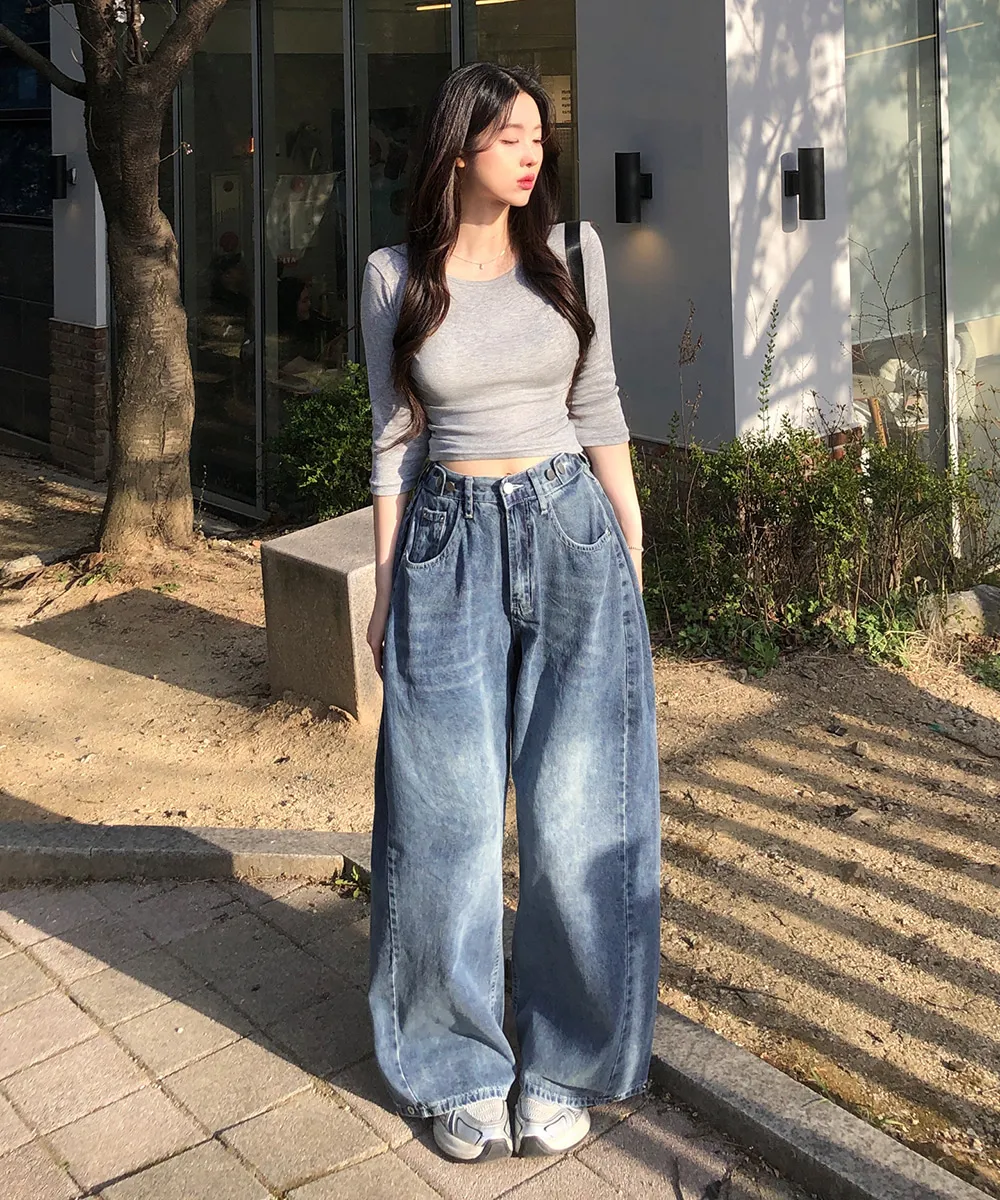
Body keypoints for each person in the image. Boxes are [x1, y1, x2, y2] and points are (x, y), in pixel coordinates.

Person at [361, 61, 661, 1164]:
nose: (532, 153)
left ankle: (568, 1059)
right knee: (442, 817)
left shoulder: (573, 256)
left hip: (571, 529)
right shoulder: (395, 277)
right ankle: (457, 1068)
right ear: (458, 150)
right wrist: (385, 587)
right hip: (446, 544)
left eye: (539, 135)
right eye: (509, 137)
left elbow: (600, 405)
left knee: (579, 809)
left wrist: (630, 549)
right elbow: (394, 440)